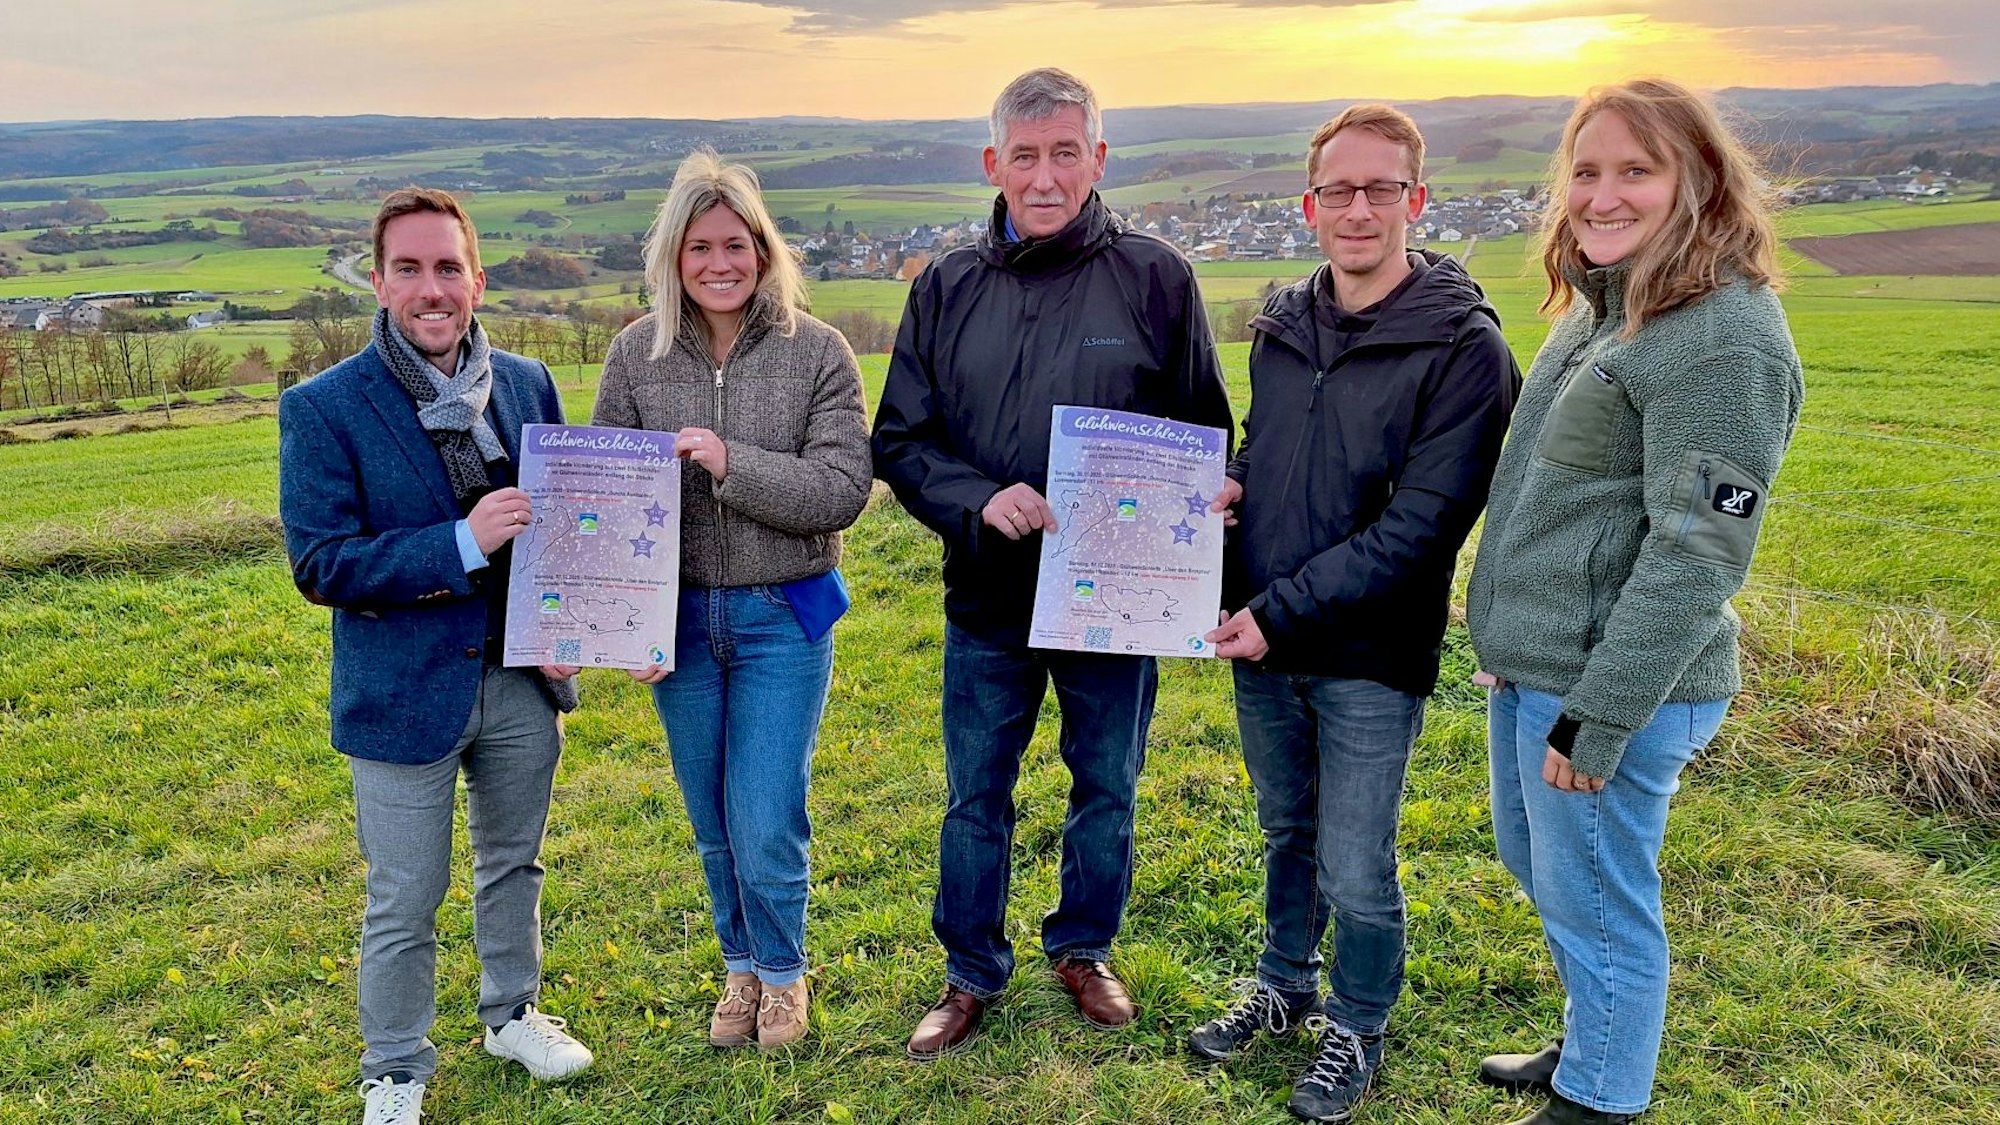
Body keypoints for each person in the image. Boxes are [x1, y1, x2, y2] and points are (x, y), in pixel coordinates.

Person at [872, 66, 1235, 1059]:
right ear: (993, 162)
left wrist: (1197, 505)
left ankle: (1083, 949)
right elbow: (899, 442)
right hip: (987, 598)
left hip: (1115, 604)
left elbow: (1201, 431)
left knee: (1105, 788)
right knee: (974, 795)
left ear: (1096, 159)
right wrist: (975, 500)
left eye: (1064, 153)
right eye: (1024, 156)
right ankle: (968, 972)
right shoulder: (945, 287)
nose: (1043, 176)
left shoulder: (1156, 276)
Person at [1466, 78, 1803, 1125]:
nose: (1600, 196)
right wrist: (1510, 638)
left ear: (1696, 181)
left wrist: (1599, 715)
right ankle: (1591, 1037)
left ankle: (1598, 1101)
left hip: (1617, 687)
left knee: (1601, 903)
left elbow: (1696, 557)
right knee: (1551, 874)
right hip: (1542, 665)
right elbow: (1551, 494)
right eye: (1585, 170)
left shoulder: (1721, 341)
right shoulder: (1607, 308)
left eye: (1635, 171)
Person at [1187, 105, 1521, 1122]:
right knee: (1286, 830)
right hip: (1264, 639)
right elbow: (1271, 452)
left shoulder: (1464, 350)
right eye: (1339, 189)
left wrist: (1277, 611)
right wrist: (1232, 487)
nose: (1359, 208)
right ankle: (1283, 987)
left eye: (1382, 189)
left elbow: (1421, 527)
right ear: (1309, 205)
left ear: (1416, 201)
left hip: (1368, 654)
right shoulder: (1283, 325)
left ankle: (1357, 1020)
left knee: (1354, 859)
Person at [278, 188, 594, 1125]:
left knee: (514, 862)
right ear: (377, 282)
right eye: (409, 268)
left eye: (448, 267)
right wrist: (459, 542)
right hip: (401, 690)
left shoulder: (530, 383)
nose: (431, 287)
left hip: (518, 676)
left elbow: (566, 532)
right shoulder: (325, 406)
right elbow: (320, 560)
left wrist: (609, 622)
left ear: (477, 278)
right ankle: (396, 1069)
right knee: (405, 893)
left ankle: (512, 1012)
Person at [593, 150, 871, 1052]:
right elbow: (600, 497)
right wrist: (616, 618)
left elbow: (839, 492)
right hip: (677, 616)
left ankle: (786, 975)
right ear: (674, 256)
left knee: (764, 807)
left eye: (738, 244)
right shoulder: (636, 355)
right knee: (710, 812)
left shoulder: (818, 350)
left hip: (783, 616)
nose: (721, 263)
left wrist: (728, 462)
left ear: (764, 248)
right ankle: (740, 967)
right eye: (700, 246)